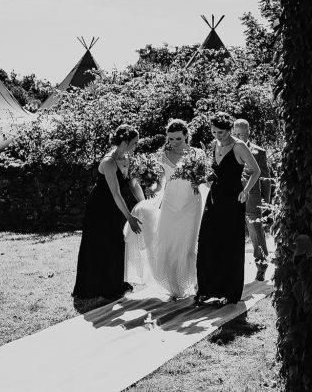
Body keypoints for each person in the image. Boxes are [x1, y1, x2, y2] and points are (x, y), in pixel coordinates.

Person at [125, 119, 205, 299]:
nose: (174, 143)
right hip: (170, 203)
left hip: (191, 202)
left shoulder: (197, 154)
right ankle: (174, 285)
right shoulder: (162, 154)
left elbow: (203, 179)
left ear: (186, 136)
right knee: (168, 243)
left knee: (189, 245)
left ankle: (194, 283)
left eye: (178, 139)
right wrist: (152, 187)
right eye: (170, 139)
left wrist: (198, 177)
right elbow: (161, 182)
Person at [72, 124, 145, 300]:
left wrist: (145, 204)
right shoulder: (109, 162)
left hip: (116, 206)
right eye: (134, 143)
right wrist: (130, 218)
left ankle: (114, 282)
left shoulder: (127, 158)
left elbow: (133, 185)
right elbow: (116, 193)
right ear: (125, 142)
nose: (136, 146)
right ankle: (95, 285)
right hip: (101, 207)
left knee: (117, 242)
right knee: (100, 244)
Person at [195, 112, 260, 304]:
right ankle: (207, 288)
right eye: (214, 132)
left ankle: (228, 291)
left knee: (229, 244)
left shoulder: (239, 146)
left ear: (230, 129)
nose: (217, 136)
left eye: (221, 132)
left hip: (233, 199)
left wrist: (246, 190)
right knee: (207, 241)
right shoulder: (214, 144)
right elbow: (214, 171)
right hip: (214, 198)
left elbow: (256, 171)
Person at [232, 118, 272, 282]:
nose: (239, 136)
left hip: (253, 198)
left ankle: (261, 266)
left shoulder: (258, 152)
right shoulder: (228, 149)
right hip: (232, 198)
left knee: (256, 233)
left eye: (242, 132)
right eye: (236, 133)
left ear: (249, 132)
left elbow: (266, 179)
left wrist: (266, 202)